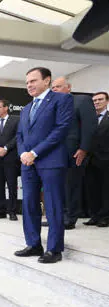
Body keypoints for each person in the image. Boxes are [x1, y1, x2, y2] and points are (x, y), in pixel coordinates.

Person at [14, 67, 73, 264]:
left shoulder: (61, 100)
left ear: (47, 81)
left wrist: (35, 152)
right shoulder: (26, 108)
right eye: (27, 82)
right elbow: (20, 135)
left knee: (53, 204)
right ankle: (33, 244)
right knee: (29, 203)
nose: (29, 85)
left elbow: (61, 129)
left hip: (51, 160)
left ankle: (54, 249)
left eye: (33, 81)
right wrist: (23, 153)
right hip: (27, 163)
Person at [51, 77, 97, 230]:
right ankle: (58, 217)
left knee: (72, 186)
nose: (55, 89)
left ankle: (70, 218)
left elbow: (90, 126)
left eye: (58, 86)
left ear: (68, 87)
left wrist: (84, 148)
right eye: (53, 87)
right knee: (58, 187)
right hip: (56, 153)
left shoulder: (82, 100)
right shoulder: (54, 105)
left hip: (75, 152)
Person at [0, 99, 21, 221]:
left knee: (12, 186)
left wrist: (6, 148)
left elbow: (18, 136)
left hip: (11, 159)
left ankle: (12, 211)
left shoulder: (16, 121)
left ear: (6, 108)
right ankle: (1, 211)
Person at [84, 92, 109, 228]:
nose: (97, 102)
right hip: (89, 160)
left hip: (106, 160)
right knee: (91, 189)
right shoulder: (88, 119)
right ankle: (94, 216)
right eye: (94, 100)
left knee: (105, 190)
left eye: (100, 100)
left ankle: (105, 217)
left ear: (107, 101)